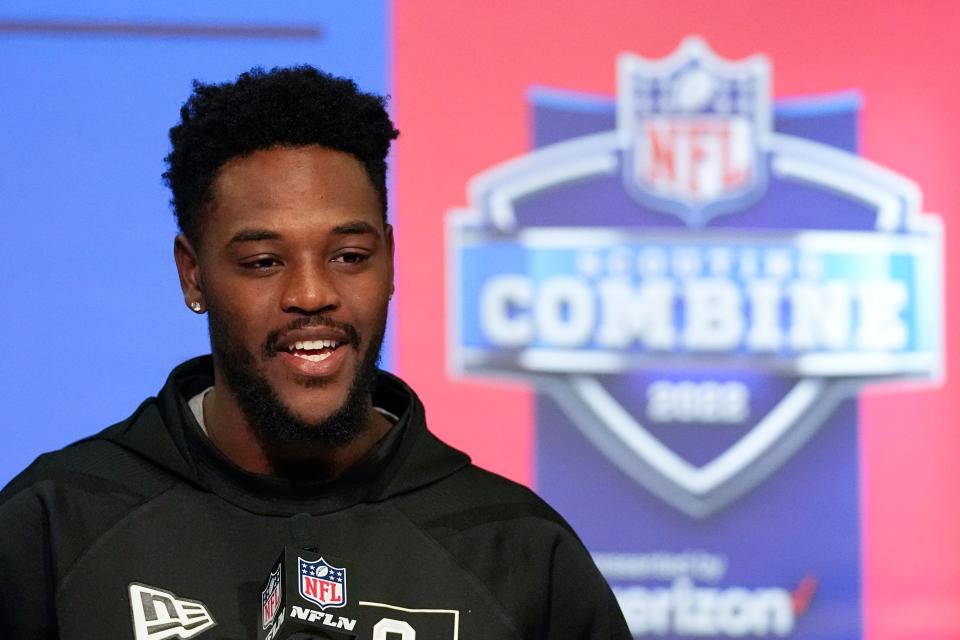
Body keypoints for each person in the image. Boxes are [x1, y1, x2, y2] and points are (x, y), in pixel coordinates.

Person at [0, 66, 629, 639]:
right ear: (193, 275)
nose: (311, 293)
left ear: (388, 262)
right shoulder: (54, 527)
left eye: (349, 256)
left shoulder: (518, 552)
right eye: (263, 262)